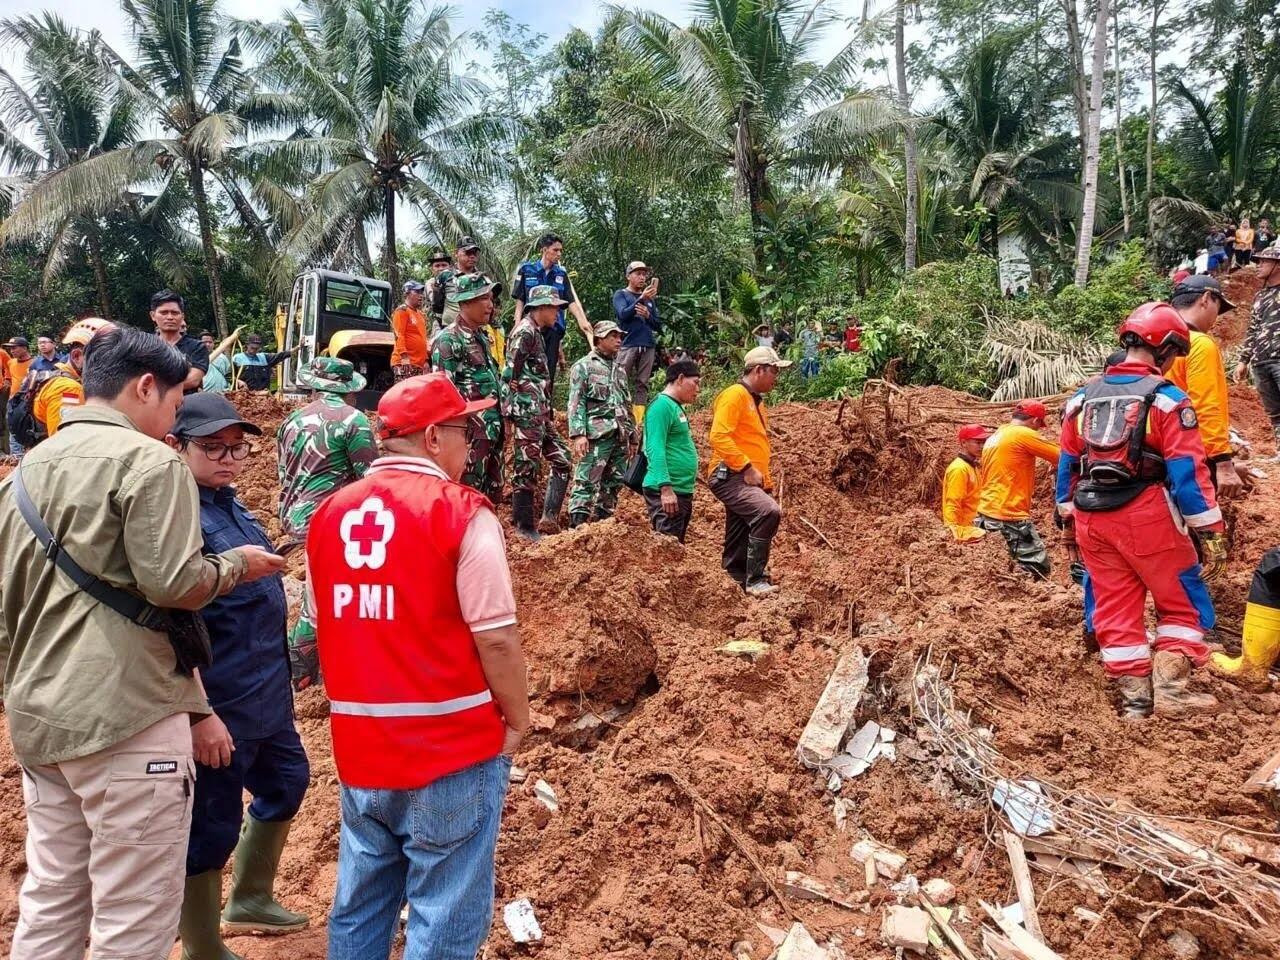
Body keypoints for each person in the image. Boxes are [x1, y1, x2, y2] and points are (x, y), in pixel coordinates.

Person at [0, 325, 284, 960]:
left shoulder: (24, 471)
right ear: (146, 386)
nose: (172, 423)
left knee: (52, 901)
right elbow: (176, 583)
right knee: (134, 920)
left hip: (41, 721)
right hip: (127, 720)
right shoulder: (148, 461)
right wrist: (236, 564)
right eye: (177, 408)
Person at [306, 372, 528, 960]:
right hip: (449, 746)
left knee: (361, 902)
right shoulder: (460, 514)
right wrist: (518, 716)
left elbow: (323, 617)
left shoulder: (328, 516)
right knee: (445, 912)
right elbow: (498, 637)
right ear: (433, 438)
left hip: (361, 746)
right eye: (464, 430)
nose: (471, 443)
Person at [166, 394, 310, 959]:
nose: (228, 458)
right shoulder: (178, 516)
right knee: (210, 826)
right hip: (221, 702)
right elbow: (174, 628)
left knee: (287, 783)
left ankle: (250, 897)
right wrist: (201, 714)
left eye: (236, 447)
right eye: (211, 447)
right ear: (177, 447)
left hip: (266, 696)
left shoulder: (229, 505)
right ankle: (201, 943)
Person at [1056, 303, 1225, 718]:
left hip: (1091, 518)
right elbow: (1188, 472)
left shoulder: (1081, 400)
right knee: (1182, 600)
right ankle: (1172, 692)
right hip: (1147, 513)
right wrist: (1211, 528)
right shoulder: (1167, 401)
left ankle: (1135, 701)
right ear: (1165, 349)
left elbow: (1066, 465)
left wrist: (1067, 519)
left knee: (1114, 605)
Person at [277, 357, 378, 691]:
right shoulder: (354, 420)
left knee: (322, 594)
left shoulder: (291, 421)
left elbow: (284, 474)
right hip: (330, 523)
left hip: (295, 517)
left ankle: (308, 672)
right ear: (349, 391)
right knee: (321, 601)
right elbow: (370, 477)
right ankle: (302, 674)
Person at [707, 346, 791, 596]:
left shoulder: (755, 401)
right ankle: (755, 580)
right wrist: (745, 466)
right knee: (768, 512)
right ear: (758, 370)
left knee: (741, 526)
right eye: (774, 371)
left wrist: (763, 478)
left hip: (745, 476)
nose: (776, 377)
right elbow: (718, 436)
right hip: (731, 474)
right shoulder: (735, 395)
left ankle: (734, 580)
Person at [502, 284, 572, 540]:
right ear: (540, 307)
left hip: (540, 412)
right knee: (526, 466)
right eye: (554, 308)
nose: (557, 314)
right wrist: (508, 415)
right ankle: (523, 526)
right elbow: (509, 374)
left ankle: (548, 519)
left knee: (563, 458)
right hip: (526, 412)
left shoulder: (537, 333)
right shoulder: (524, 333)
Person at [1166, 275, 1244, 497]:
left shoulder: (1153, 342)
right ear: (1206, 299)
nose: (1215, 319)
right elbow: (1206, 405)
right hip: (1186, 454)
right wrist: (1223, 463)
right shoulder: (1199, 344)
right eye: (1217, 308)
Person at [432, 273, 505, 501]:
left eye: (491, 299)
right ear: (465, 302)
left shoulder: (482, 337)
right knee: (466, 496)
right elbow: (443, 394)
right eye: (484, 298)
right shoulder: (448, 340)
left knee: (491, 498)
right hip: (469, 436)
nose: (490, 305)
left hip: (492, 431)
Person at [975, 400, 1060, 578]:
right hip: (1008, 514)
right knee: (1037, 568)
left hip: (987, 510)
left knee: (1001, 565)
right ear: (1035, 421)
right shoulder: (1023, 434)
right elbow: (1063, 456)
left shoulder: (998, 435)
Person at [567, 321, 636, 527]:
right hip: (596, 435)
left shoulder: (620, 369)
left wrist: (632, 437)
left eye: (619, 336)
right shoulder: (583, 367)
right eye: (612, 336)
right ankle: (576, 527)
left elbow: (626, 403)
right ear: (599, 339)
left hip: (620, 436)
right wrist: (579, 434)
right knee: (586, 480)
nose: (618, 340)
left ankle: (603, 526)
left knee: (614, 483)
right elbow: (576, 402)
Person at [513, 233, 594, 391]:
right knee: (525, 369)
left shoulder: (561, 274)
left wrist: (583, 323)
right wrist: (517, 324)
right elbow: (520, 300)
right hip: (531, 329)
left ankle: (546, 410)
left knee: (548, 372)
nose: (559, 254)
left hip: (553, 328)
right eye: (555, 250)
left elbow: (571, 301)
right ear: (544, 250)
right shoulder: (527, 270)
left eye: (560, 250)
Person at [642, 359, 700, 542]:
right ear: (680, 379)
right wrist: (666, 489)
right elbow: (654, 448)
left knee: (675, 549)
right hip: (668, 491)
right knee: (667, 550)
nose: (698, 389)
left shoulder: (675, 407)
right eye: (695, 383)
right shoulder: (661, 407)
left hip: (680, 490)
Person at [1235, 244, 1280, 452]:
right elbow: (1253, 330)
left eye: (1264, 261)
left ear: (1277, 265)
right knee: (1274, 412)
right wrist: (1243, 360)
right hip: (1261, 361)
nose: (1258, 266)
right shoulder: (1260, 297)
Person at [613, 261, 662, 422]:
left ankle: (638, 420)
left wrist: (648, 316)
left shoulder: (651, 300)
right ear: (628, 276)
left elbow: (657, 325)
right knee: (620, 380)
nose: (642, 277)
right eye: (638, 274)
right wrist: (641, 299)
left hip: (647, 345)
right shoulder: (621, 295)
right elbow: (623, 315)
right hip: (627, 344)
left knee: (642, 383)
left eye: (644, 274)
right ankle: (618, 415)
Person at [152, 290, 210, 392]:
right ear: (153, 315)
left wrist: (157, 389)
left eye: (174, 313)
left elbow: (193, 380)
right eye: (164, 312)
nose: (170, 317)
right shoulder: (144, 346)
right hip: (150, 405)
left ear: (182, 316)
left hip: (186, 405)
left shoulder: (197, 347)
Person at [941, 424, 991, 543]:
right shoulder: (959, 469)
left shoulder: (972, 467)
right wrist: (951, 531)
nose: (982, 446)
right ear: (963, 443)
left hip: (973, 527)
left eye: (983, 442)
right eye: (977, 442)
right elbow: (953, 503)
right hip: (964, 532)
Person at [391, 280, 430, 380]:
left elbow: (423, 338)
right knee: (404, 393)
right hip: (405, 362)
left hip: (418, 364)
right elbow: (399, 335)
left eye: (421, 292)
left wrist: (425, 361)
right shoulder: (402, 311)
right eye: (417, 292)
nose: (420, 296)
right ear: (407, 293)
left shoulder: (421, 315)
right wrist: (404, 357)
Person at [5, 337, 33, 456]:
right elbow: (10, 377)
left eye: (14, 348)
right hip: (13, 400)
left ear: (24, 348)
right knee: (13, 428)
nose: (12, 351)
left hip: (29, 400)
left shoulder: (35, 363)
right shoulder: (10, 362)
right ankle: (16, 457)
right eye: (10, 348)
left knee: (30, 428)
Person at [424, 249, 452, 335]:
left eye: (444, 265)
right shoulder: (430, 283)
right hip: (439, 323)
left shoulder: (457, 280)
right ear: (432, 269)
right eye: (437, 266)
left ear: (449, 267)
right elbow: (435, 301)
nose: (441, 268)